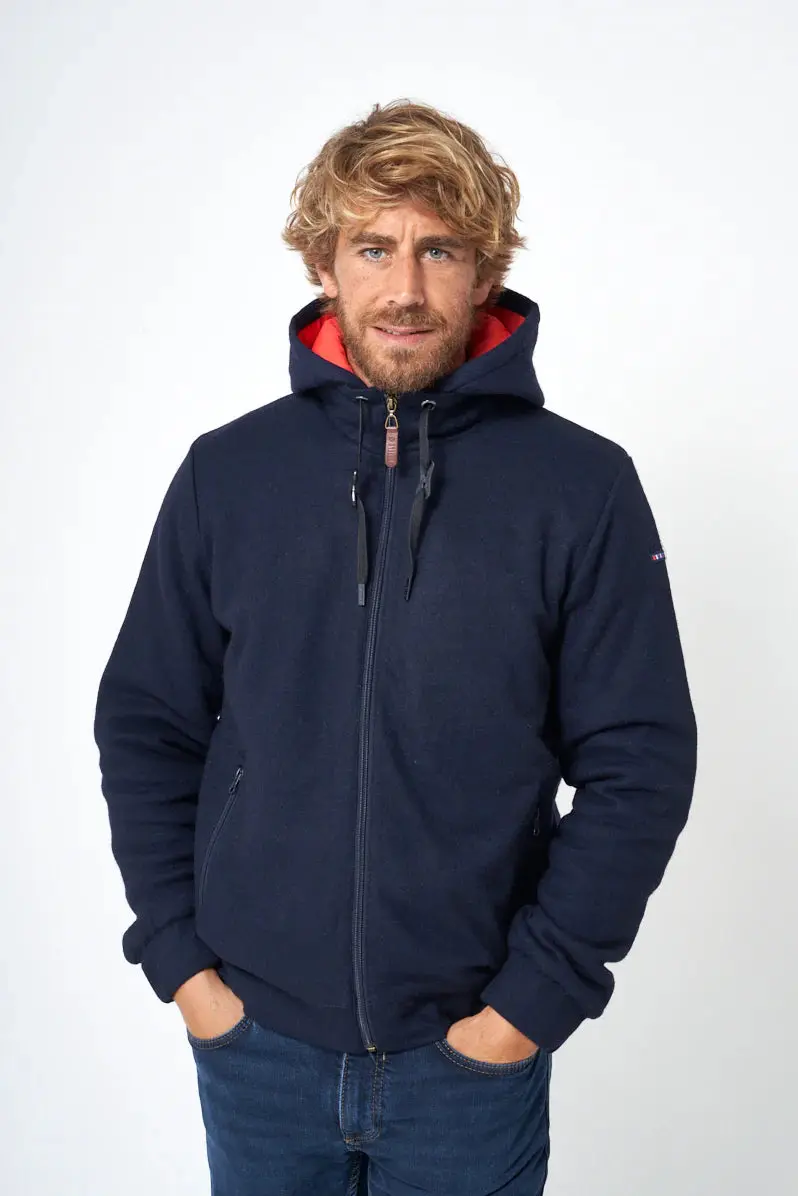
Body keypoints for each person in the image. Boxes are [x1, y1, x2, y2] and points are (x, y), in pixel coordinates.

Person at [93, 98, 698, 1195]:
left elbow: (640, 762)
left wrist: (526, 1007)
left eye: (440, 250)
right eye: (373, 247)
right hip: (255, 1045)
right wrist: (184, 967)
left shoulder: (582, 486)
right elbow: (147, 723)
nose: (406, 287)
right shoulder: (228, 474)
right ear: (324, 265)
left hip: (469, 1061)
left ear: (486, 269)